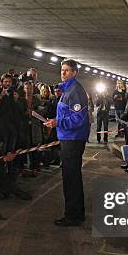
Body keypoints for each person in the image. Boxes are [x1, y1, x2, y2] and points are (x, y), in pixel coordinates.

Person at [44, 59, 90, 227]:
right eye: (62, 70)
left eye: (67, 70)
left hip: (73, 139)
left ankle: (72, 216)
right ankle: (78, 213)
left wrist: (58, 123)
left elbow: (78, 119)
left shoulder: (74, 91)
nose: (63, 73)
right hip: (68, 137)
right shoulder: (67, 89)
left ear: (74, 72)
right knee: (73, 177)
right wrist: (56, 121)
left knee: (70, 178)